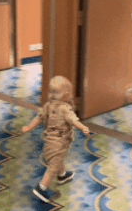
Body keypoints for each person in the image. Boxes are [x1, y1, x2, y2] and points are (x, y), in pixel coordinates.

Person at [21, 75, 90, 203]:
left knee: (57, 158)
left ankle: (62, 175)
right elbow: (74, 121)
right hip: (60, 141)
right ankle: (41, 187)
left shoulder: (48, 105)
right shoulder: (65, 108)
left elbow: (39, 117)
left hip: (49, 141)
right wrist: (83, 127)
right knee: (53, 165)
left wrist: (29, 126)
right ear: (66, 95)